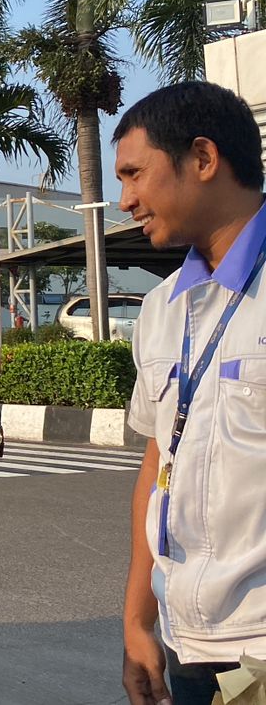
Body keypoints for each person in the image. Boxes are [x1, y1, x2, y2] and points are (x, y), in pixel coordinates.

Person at [117, 82, 266, 705]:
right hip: (188, 642)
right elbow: (160, 465)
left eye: (134, 174)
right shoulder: (159, 309)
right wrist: (137, 621)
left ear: (203, 160)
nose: (125, 200)